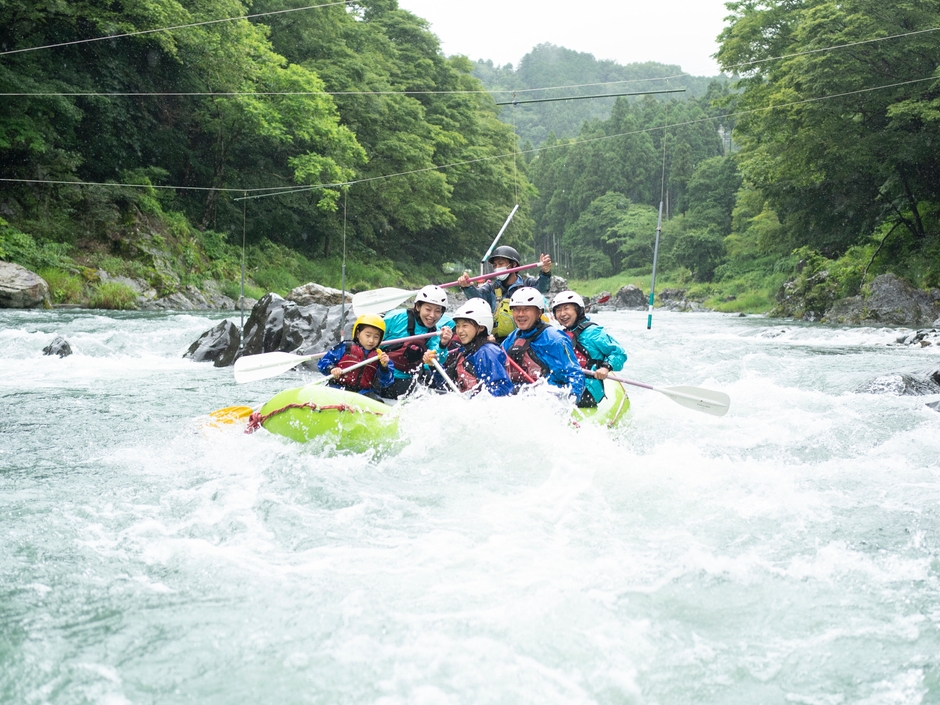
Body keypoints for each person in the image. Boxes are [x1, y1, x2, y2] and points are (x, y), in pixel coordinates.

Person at [500, 287, 585, 400]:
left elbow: (574, 375)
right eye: (516, 309)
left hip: (548, 398)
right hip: (519, 396)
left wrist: (571, 400)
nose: (520, 314)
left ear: (539, 312)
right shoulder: (512, 337)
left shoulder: (555, 339)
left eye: (526, 309)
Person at [456, 246, 553, 341]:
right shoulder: (492, 287)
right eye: (495, 265)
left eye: (500, 264)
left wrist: (545, 273)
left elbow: (543, 288)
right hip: (499, 341)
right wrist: (467, 287)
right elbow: (477, 299)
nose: (497, 268)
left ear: (514, 264)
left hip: (527, 337)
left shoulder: (527, 284)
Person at [551, 290, 627, 408]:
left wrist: (606, 368)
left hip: (588, 388)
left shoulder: (594, 332)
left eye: (566, 308)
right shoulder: (560, 335)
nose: (562, 314)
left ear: (578, 310)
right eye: (558, 310)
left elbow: (619, 354)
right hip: (566, 383)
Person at [423, 298, 513, 397]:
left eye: (465, 326)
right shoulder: (465, 352)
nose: (459, 331)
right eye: (457, 326)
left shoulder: (487, 352)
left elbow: (502, 388)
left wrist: (473, 401)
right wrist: (434, 365)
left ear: (481, 327)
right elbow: (446, 386)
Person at [380, 285, 454, 399]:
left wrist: (443, 344)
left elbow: (440, 359)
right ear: (418, 307)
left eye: (437, 311)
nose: (432, 315)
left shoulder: (434, 333)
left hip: (406, 380)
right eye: (428, 309)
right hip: (381, 374)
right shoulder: (397, 317)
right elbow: (372, 337)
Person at [317, 313, 395, 397]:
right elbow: (323, 363)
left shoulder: (380, 357)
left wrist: (384, 367)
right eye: (368, 335)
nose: (371, 340)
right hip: (338, 388)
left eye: (376, 337)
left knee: (376, 398)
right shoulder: (345, 347)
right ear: (358, 334)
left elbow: (386, 383)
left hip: (364, 394)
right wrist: (332, 369)